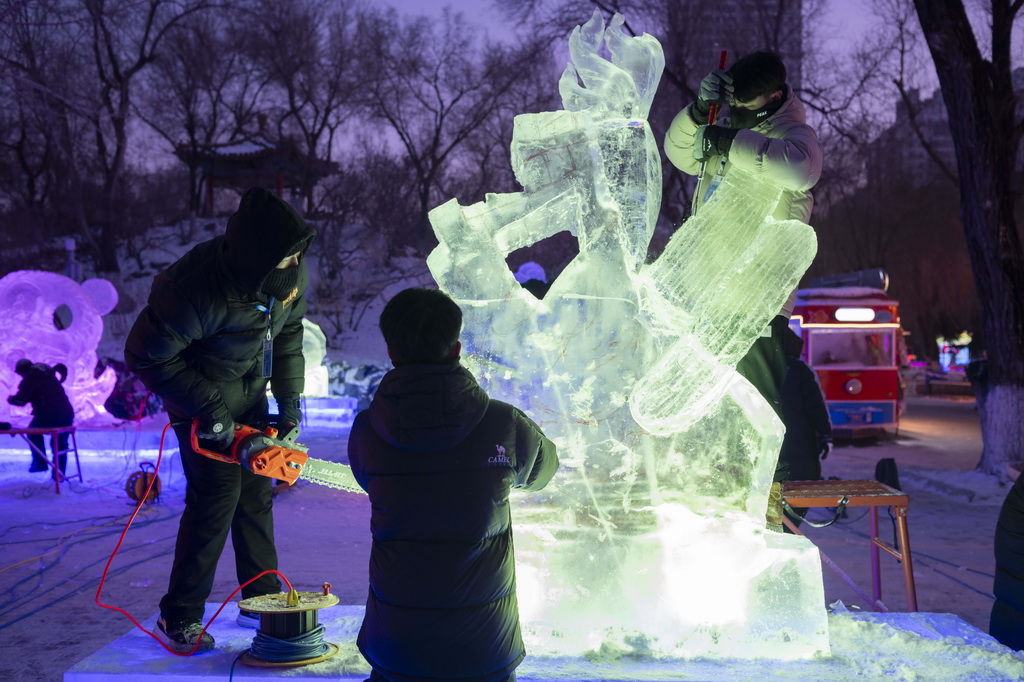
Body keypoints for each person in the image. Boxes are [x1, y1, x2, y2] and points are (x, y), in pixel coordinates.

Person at [124, 186, 316, 654]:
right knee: (216, 499)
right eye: (285, 259)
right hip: (198, 397)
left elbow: (289, 335)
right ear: (255, 257)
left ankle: (263, 598)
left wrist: (289, 402)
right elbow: (145, 356)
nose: (295, 267)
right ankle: (181, 614)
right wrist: (208, 410)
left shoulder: (286, 278)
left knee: (256, 495)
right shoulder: (192, 290)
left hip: (250, 393)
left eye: (296, 258)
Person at [348, 287, 559, 682]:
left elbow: (367, 478)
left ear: (391, 352)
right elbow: (545, 470)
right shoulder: (504, 424)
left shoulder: (367, 430)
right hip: (484, 650)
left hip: (397, 646)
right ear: (457, 347)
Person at [663, 50, 823, 220]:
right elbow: (680, 153)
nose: (738, 113)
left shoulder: (796, 134)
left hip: (767, 245)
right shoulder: (722, 130)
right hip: (709, 244)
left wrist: (728, 143)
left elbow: (801, 171)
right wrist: (699, 111)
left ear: (775, 96)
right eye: (733, 105)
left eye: (747, 107)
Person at [777, 331, 833, 530]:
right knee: (796, 506)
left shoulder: (755, 368)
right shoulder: (799, 370)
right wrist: (825, 435)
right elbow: (815, 407)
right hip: (799, 452)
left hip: (766, 451)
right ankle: (788, 535)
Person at [7, 358, 74, 478]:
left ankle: (40, 463)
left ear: (22, 371)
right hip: (66, 413)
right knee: (61, 445)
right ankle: (59, 476)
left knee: (33, 432)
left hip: (49, 414)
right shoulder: (47, 374)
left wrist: (11, 399)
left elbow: (21, 400)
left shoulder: (30, 378)